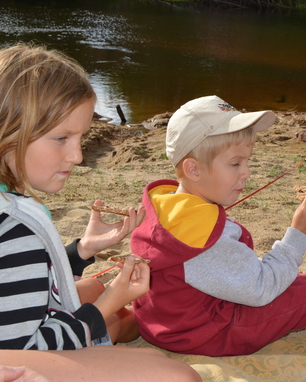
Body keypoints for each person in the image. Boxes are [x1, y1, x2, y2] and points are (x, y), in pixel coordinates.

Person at [0, 43, 200, 382]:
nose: (77, 156)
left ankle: (134, 329)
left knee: (91, 288)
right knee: (177, 376)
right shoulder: (15, 228)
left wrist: (82, 250)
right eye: (61, 138)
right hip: (16, 357)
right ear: (8, 131)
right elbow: (27, 351)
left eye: (81, 137)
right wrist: (110, 301)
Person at [130, 95, 306, 356]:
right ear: (193, 170)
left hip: (171, 325)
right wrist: (298, 235)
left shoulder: (168, 206)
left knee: (288, 275)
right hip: (210, 333)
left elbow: (224, 270)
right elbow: (260, 288)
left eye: (247, 161)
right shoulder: (205, 235)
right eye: (235, 163)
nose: (247, 172)